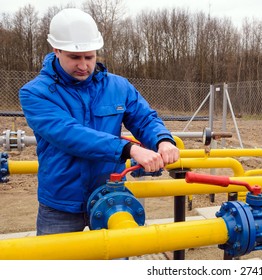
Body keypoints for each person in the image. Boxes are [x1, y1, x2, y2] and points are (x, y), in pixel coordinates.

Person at [19, 8, 180, 236]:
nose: (83, 65)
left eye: (89, 57)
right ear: (56, 50)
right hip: (60, 205)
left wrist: (162, 140)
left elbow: (145, 118)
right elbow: (70, 135)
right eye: (75, 57)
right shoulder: (36, 93)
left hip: (110, 197)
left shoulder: (118, 86)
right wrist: (129, 149)